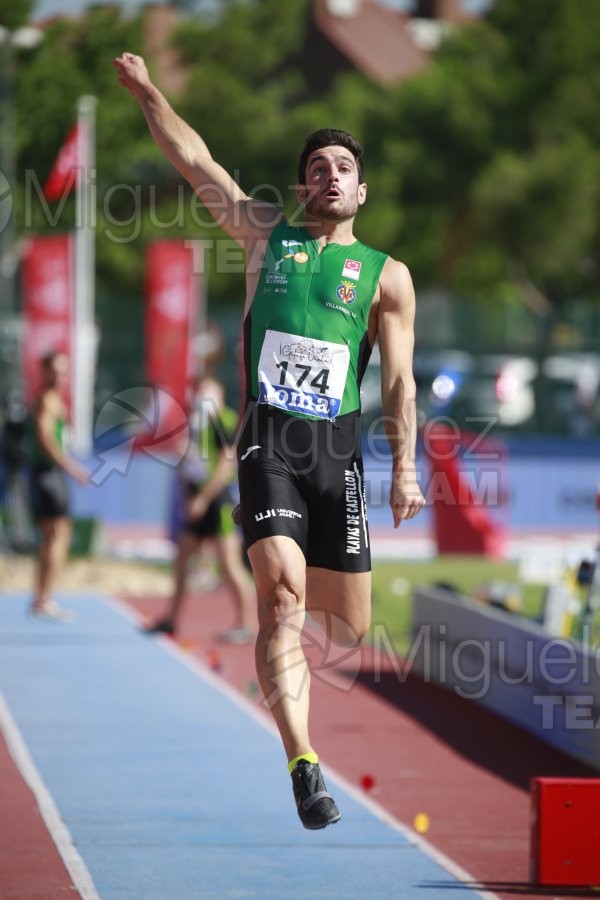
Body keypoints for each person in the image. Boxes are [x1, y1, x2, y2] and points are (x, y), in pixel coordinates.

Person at [114, 52, 425, 830]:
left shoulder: (388, 276)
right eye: (316, 166)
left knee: (345, 626)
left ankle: (297, 694)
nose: (328, 175)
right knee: (280, 599)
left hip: (339, 453)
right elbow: (195, 160)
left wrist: (406, 470)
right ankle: (303, 763)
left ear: (362, 189)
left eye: (342, 166)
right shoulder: (265, 233)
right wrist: (151, 94)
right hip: (269, 440)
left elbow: (398, 383)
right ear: (300, 187)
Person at [145, 374, 254, 641]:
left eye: (209, 392)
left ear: (219, 396)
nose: (202, 397)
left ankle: (247, 624)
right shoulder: (197, 423)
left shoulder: (222, 421)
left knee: (229, 566)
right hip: (197, 501)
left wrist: (203, 499)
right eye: (200, 392)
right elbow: (195, 462)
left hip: (217, 503)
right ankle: (171, 619)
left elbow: (226, 465)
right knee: (182, 559)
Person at [28, 351, 88, 621]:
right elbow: (45, 439)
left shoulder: (53, 400)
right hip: (49, 474)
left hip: (49, 474)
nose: (61, 377)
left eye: (64, 371)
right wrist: (72, 468)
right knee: (58, 535)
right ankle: (45, 597)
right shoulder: (48, 401)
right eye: (56, 371)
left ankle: (41, 597)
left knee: (53, 535)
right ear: (46, 372)